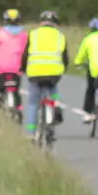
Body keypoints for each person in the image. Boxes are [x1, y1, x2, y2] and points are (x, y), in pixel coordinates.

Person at [20, 9, 68, 138]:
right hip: (54, 74)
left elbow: (25, 55)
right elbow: (65, 57)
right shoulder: (60, 36)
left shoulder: (33, 34)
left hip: (35, 73)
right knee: (53, 89)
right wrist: (64, 68)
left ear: (41, 22)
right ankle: (55, 105)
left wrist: (22, 68)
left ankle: (30, 132)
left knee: (33, 103)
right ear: (55, 23)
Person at [0, 9, 28, 112]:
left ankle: (0, 98)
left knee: (1, 87)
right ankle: (19, 109)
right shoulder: (24, 35)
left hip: (1, 67)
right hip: (17, 67)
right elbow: (26, 51)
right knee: (16, 90)